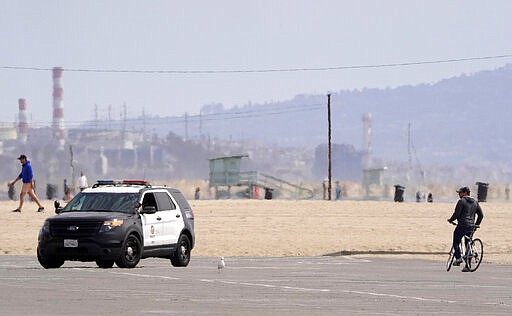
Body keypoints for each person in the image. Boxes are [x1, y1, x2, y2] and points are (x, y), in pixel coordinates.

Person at [447, 186, 484, 271]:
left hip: (462, 225)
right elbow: (481, 215)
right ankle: (468, 266)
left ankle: (458, 257)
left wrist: (451, 220)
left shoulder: (461, 201)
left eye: (460, 193)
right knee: (468, 244)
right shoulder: (475, 202)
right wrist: (476, 225)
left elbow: (456, 214)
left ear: (465, 193)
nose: (459, 194)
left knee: (456, 242)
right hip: (471, 226)